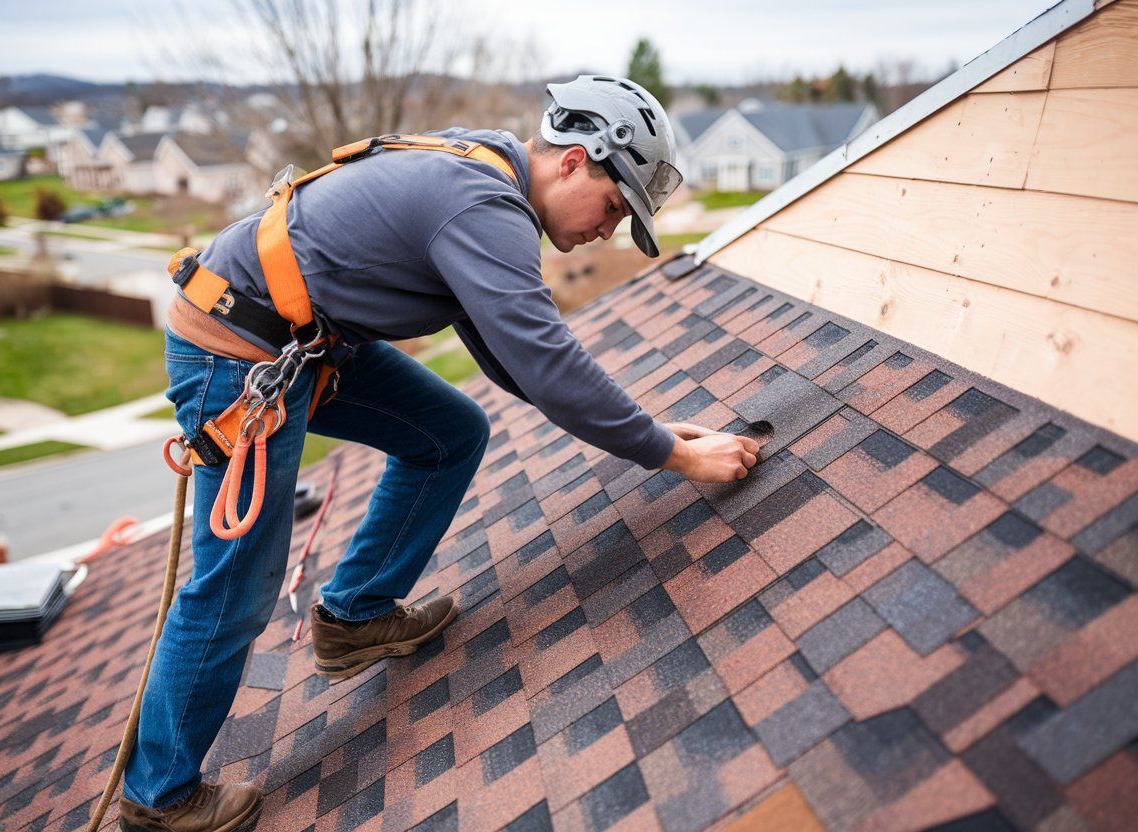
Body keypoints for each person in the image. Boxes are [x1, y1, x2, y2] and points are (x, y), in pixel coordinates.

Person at [118, 75, 760, 832]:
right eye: (615, 208)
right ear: (576, 160)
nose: (608, 231)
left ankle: (354, 617)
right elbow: (544, 360)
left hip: (306, 340)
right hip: (240, 357)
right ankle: (157, 797)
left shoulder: (482, 173)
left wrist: (649, 430)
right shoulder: (485, 207)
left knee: (448, 433)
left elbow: (516, 359)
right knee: (236, 587)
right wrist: (672, 458)